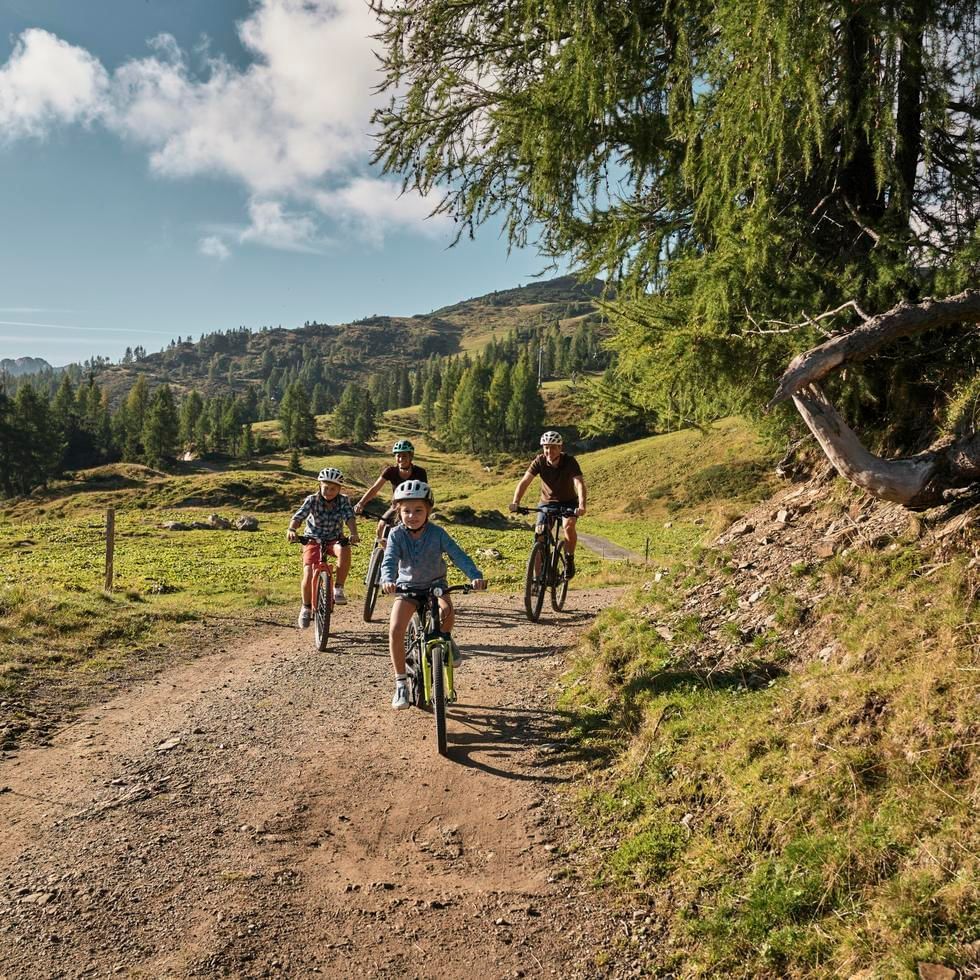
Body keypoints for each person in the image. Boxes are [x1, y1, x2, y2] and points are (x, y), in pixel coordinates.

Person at [380, 480, 486, 710]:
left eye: (418, 510)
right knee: (396, 629)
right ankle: (400, 683)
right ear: (398, 511)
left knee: (446, 610)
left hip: (436, 585)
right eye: (406, 511)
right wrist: (387, 580)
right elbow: (389, 560)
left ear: (429, 510)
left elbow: (458, 555)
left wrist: (474, 575)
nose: (412, 515)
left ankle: (446, 639)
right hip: (407, 588)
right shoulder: (396, 535)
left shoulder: (438, 533)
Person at [286, 466, 359, 624]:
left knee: (344, 549)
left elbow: (349, 518)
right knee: (308, 573)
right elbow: (299, 516)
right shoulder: (312, 500)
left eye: (333, 489)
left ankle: (338, 588)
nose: (329, 492)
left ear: (339, 489)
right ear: (320, 485)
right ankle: (305, 607)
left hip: (334, 538)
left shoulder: (343, 500)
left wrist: (354, 533)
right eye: (326, 488)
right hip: (313, 539)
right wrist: (292, 529)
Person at [509, 430, 587, 578]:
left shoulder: (570, 461)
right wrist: (515, 502)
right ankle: (537, 579)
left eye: (553, 447)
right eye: (546, 447)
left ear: (560, 448)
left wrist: (582, 506)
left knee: (568, 526)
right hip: (547, 503)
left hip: (568, 502)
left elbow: (579, 483)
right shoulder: (539, 461)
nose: (549, 451)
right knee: (539, 536)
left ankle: (569, 559)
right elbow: (525, 482)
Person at [353, 439, 428, 544]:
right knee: (381, 527)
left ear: (411, 457)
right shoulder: (390, 471)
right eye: (398, 456)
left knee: (419, 533)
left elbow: (425, 494)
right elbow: (375, 489)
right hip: (396, 507)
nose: (401, 459)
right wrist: (361, 503)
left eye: (404, 456)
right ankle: (383, 554)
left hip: (414, 508)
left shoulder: (420, 472)